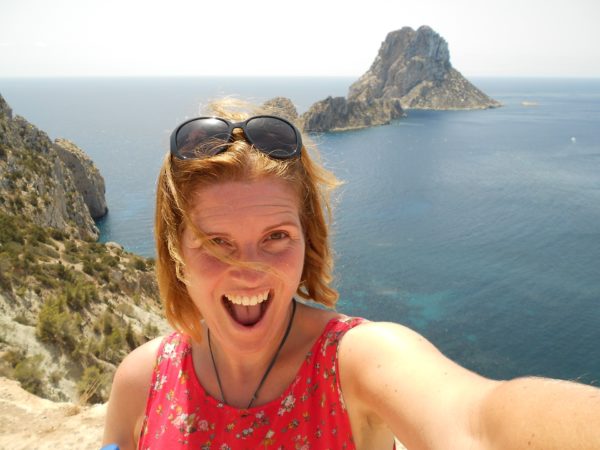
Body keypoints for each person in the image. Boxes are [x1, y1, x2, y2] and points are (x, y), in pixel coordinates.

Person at [102, 99, 600, 450]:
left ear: (308, 238)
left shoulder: (355, 363)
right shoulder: (141, 381)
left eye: (276, 236)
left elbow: (477, 425)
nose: (248, 271)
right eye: (216, 242)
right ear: (175, 251)